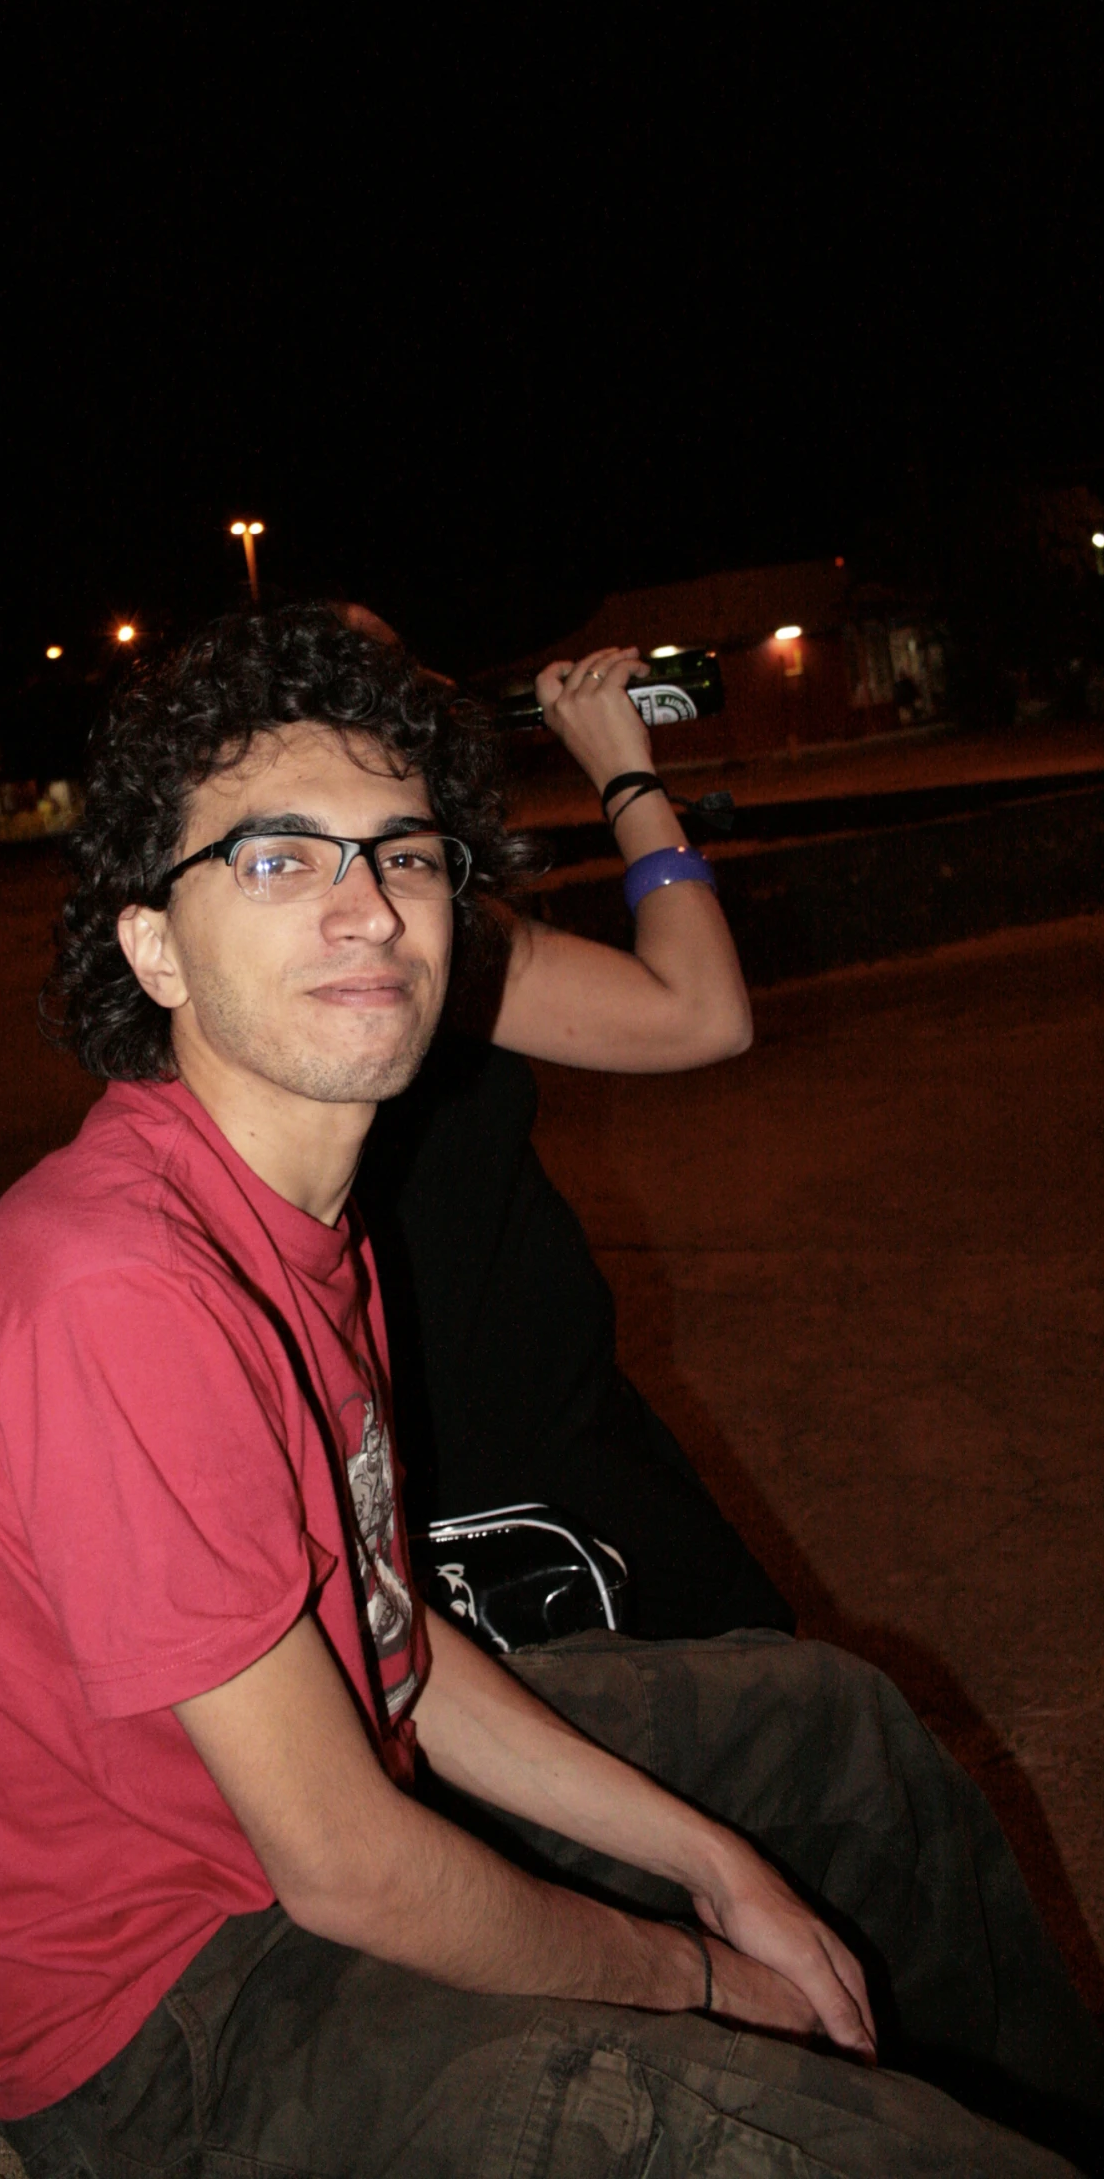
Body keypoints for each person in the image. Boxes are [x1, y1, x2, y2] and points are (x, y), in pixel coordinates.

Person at [0, 602, 1104, 2177]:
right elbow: (346, 1868)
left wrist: (712, 1859)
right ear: (151, 944)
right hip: (175, 2016)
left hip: (317, 1841)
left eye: (402, 854)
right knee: (789, 2139)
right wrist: (701, 1977)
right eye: (277, 859)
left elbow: (391, 1644)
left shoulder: (304, 1222)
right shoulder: (119, 1289)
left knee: (838, 1730)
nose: (366, 910)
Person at [354, 630, 794, 1637]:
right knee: (748, 1722)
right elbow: (702, 1014)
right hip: (520, 1451)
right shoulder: (406, 932)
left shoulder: (367, 915)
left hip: (489, 1424)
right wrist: (625, 774)